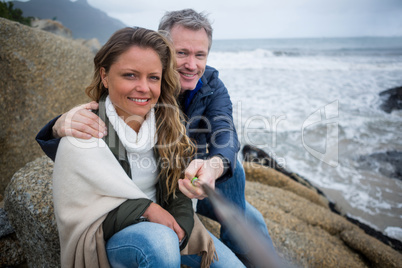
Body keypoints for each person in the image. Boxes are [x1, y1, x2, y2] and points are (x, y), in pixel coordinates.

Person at [37, 9, 277, 267]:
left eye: (200, 55)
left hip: (190, 182)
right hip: (147, 205)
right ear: (165, 51)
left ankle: (243, 254)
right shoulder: (136, 94)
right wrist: (57, 126)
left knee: (248, 208)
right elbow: (86, 160)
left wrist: (213, 166)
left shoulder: (209, 85)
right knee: (163, 240)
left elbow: (225, 132)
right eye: (182, 53)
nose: (191, 64)